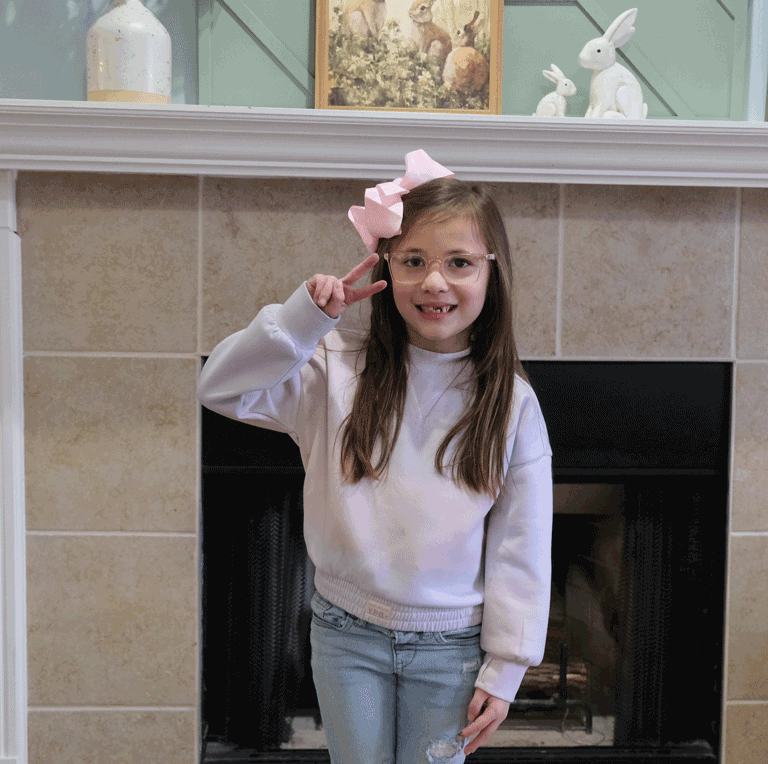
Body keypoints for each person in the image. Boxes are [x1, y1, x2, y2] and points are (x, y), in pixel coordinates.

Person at [197, 149, 553, 764]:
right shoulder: (332, 368)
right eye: (413, 261)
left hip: (453, 651)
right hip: (345, 637)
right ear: (386, 266)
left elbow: (523, 545)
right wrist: (301, 320)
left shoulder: (510, 403)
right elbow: (221, 388)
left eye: (459, 263)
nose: (434, 282)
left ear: (491, 276)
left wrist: (506, 668)